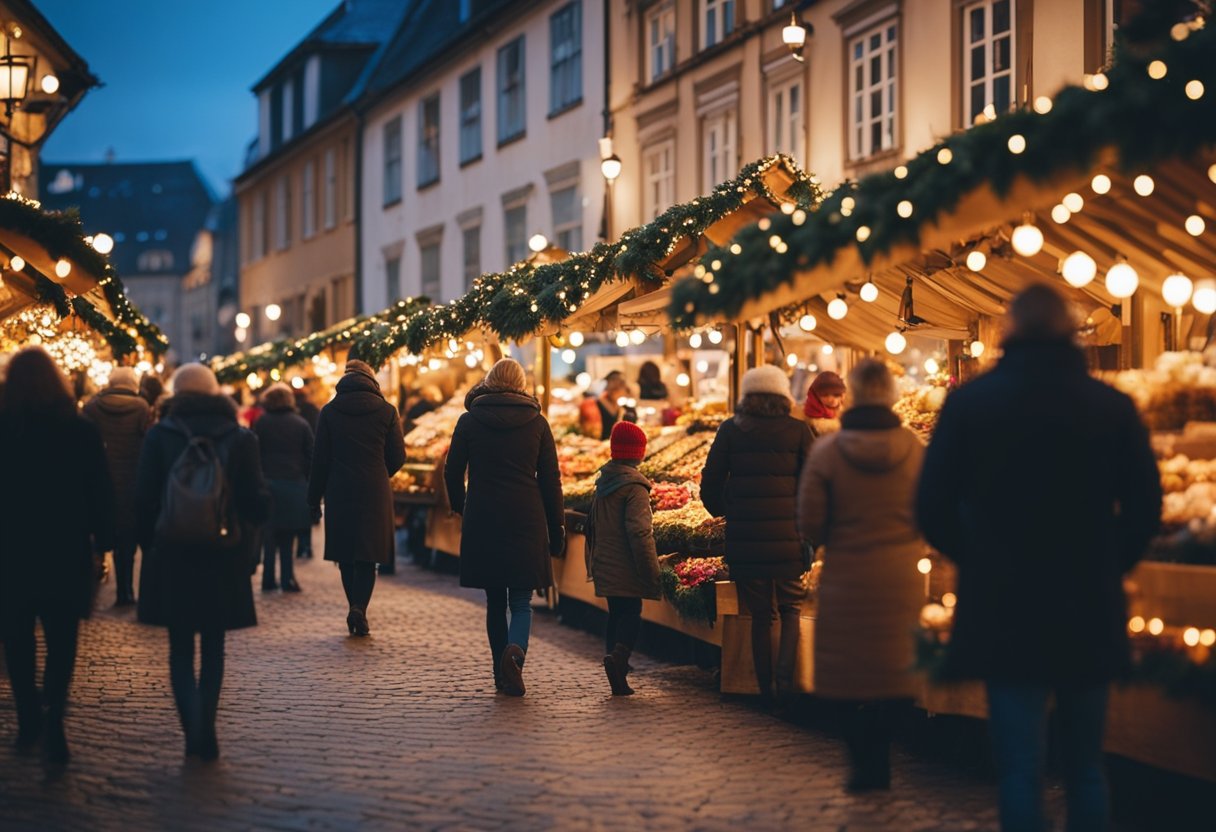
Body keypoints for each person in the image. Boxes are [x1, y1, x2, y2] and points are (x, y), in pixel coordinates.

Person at [916, 284, 1162, 832]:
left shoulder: (971, 404)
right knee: (1085, 767)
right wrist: (1109, 560)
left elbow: (931, 504)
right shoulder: (1110, 405)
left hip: (1004, 604)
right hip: (1086, 601)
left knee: (1021, 769)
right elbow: (1147, 505)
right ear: (1071, 333)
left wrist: (975, 554)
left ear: (1008, 332)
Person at [797, 359, 926, 791]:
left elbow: (810, 522)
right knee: (898, 670)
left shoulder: (828, 451)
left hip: (847, 573)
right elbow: (931, 509)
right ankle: (882, 756)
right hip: (902, 577)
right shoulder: (913, 448)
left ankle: (863, 761)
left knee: (845, 673)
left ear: (851, 394)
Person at [136, 363, 268, 761]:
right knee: (213, 647)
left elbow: (142, 500)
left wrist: (150, 545)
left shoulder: (160, 435)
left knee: (178, 649)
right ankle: (204, 729)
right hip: (223, 556)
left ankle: (192, 729)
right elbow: (256, 504)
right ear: (215, 394)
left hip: (172, 555)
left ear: (176, 395)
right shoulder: (240, 438)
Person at [0, 348, 115, 765]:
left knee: (16, 638)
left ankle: (29, 712)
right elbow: (100, 491)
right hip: (64, 550)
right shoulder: (79, 429)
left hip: (12, 551)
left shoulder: (5, 428)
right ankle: (56, 720)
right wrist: (104, 542)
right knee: (63, 640)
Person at [444, 358, 564, 696]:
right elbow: (551, 481)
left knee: (495, 601)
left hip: (483, 514)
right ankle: (516, 657)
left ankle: (501, 669)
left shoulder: (469, 421)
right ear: (522, 384)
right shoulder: (538, 423)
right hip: (526, 516)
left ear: (488, 381)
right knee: (522, 602)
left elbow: (452, 472)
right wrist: (557, 531)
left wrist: (460, 506)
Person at [701, 365, 812, 705]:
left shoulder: (730, 430)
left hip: (746, 539)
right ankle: (785, 686)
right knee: (791, 608)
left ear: (746, 397)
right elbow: (814, 483)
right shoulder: (799, 430)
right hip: (790, 538)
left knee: (761, 615)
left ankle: (766, 691)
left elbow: (709, 484)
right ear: (783, 396)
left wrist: (728, 511)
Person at [308, 359, 406, 636]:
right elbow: (398, 456)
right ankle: (359, 608)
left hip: (339, 488)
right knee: (368, 555)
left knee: (346, 554)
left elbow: (320, 460)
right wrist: (379, 471)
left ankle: (354, 605)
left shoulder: (329, 411)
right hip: (374, 488)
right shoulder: (387, 411)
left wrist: (313, 499)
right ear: (372, 380)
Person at [587, 421, 661, 695]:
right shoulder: (635, 488)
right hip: (627, 564)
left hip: (605, 562)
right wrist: (651, 571)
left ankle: (613, 661)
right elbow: (640, 533)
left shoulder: (604, 482)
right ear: (638, 453)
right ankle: (618, 661)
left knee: (616, 613)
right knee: (631, 614)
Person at [83, 366, 151, 606]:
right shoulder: (142, 407)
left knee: (101, 534)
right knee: (128, 541)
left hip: (102, 479)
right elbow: (146, 441)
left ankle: (93, 587)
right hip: (131, 479)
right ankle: (126, 590)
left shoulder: (92, 408)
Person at [253, 382, 314, 592]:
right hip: (293, 484)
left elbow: (254, 453)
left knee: (269, 535)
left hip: (267, 483)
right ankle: (288, 578)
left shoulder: (261, 423)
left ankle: (268, 579)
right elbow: (311, 455)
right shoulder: (300, 424)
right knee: (288, 536)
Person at [292, 383, 320, 559]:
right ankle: (305, 545)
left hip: (278, 473)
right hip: (302, 469)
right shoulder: (311, 413)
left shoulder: (265, 420)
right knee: (305, 507)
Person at [579, 372, 630, 440]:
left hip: (610, 445)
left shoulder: (617, 405)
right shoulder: (593, 405)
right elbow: (590, 432)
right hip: (597, 445)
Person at [804, 371, 846, 438]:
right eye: (825, 395)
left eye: (836, 394)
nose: (831, 399)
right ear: (816, 396)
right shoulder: (811, 415)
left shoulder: (846, 410)